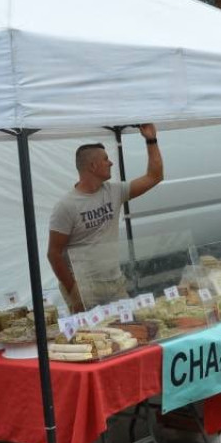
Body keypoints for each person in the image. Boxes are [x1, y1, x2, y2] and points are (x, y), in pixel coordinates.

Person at [47, 124, 163, 313]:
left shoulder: (114, 191)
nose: (111, 163)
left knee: (130, 326)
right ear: (92, 166)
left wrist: (151, 139)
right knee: (94, 333)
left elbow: (154, 176)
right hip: (84, 286)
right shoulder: (66, 206)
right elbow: (54, 253)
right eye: (106, 159)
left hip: (114, 282)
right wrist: (74, 291)